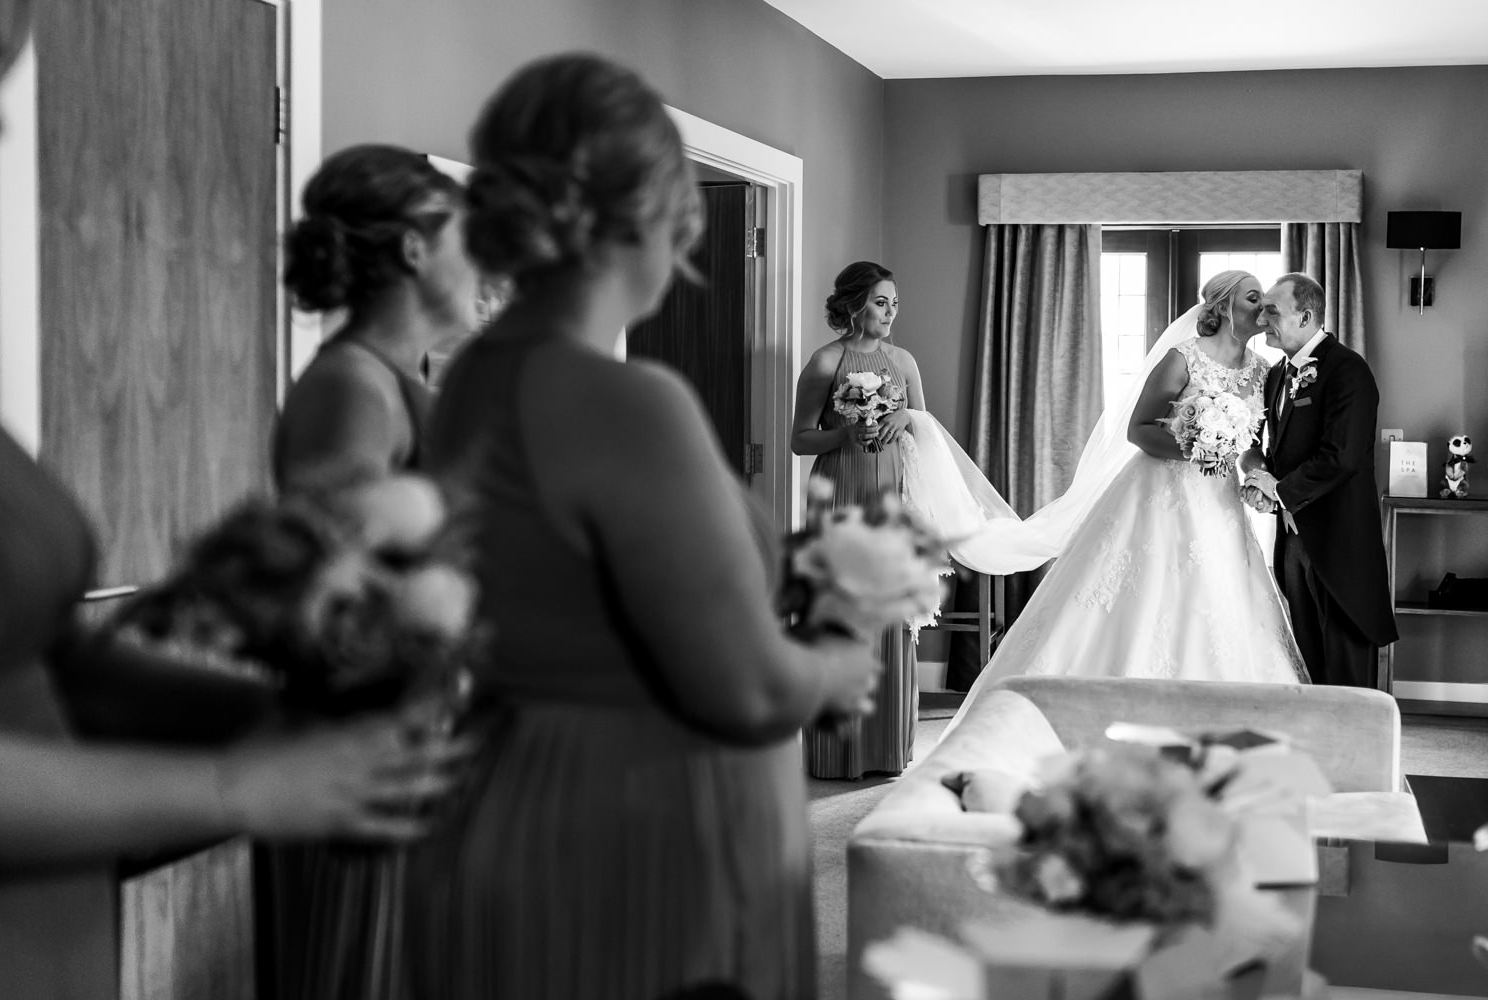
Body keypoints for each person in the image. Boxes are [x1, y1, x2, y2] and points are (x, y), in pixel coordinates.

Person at [0, 10, 471, 999]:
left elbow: (54, 663)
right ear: (418, 251)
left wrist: (274, 727)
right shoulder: (352, 386)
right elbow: (337, 565)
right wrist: (240, 782)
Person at [404, 53, 879, 1000]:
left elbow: (585, 586)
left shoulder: (469, 383)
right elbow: (745, 689)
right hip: (644, 818)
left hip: (514, 787)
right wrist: (839, 656)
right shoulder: (627, 401)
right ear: (651, 215)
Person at [260, 145, 483, 1000]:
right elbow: (329, 597)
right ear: (418, 249)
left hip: (421, 725)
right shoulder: (352, 386)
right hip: (367, 746)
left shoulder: (399, 379)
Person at [948, 270, 1307, 717]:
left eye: (1268, 302)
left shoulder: (1265, 372)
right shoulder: (1183, 359)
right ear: (1223, 306)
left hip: (1218, 503)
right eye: (1254, 298)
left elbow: (1251, 447)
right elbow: (1139, 430)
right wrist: (1194, 447)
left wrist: (1258, 475)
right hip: (1160, 493)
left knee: (1217, 602)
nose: (1264, 309)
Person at [273, 144, 478, 493]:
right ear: (413, 250)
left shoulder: (380, 377)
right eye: (467, 242)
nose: (480, 264)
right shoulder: (353, 387)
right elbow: (331, 539)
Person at [791, 260, 923, 779]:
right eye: (880, 301)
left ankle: (886, 749)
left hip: (890, 494)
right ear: (853, 305)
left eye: (894, 301)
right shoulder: (825, 363)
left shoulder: (904, 361)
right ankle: (834, 752)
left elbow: (924, 427)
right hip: (841, 490)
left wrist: (904, 416)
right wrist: (843, 433)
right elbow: (799, 439)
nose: (891, 311)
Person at [1239, 273, 1398, 686]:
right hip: (1292, 537)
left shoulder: (1348, 369)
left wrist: (1279, 492)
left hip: (1338, 540)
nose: (1262, 318)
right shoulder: (1275, 375)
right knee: (1310, 661)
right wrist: (1260, 480)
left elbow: (1341, 456)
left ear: (1306, 316)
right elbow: (1272, 450)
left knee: (1346, 669)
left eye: (1272, 310)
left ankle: (1360, 749)